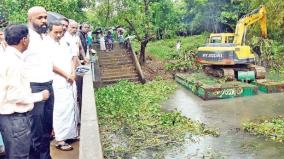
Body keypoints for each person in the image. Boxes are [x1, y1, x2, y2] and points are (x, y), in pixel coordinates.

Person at [0, 24, 50, 159]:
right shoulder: (12, 62)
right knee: (19, 155)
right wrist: (40, 96)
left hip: (13, 117)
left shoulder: (10, 57)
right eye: (28, 37)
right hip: (14, 117)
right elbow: (14, 95)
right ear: (24, 40)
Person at [23, 6, 54, 159]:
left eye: (45, 17)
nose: (44, 21)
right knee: (36, 131)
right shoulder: (25, 37)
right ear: (30, 19)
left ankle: (46, 156)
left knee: (47, 129)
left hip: (49, 85)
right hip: (34, 87)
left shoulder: (44, 37)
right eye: (39, 18)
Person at [47, 21, 79, 151]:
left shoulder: (65, 41)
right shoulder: (46, 45)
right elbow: (50, 65)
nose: (59, 34)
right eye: (56, 32)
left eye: (61, 32)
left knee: (71, 106)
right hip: (58, 81)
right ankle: (60, 139)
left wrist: (72, 72)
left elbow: (72, 57)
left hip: (70, 79)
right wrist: (66, 75)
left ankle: (71, 134)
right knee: (60, 110)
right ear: (50, 31)